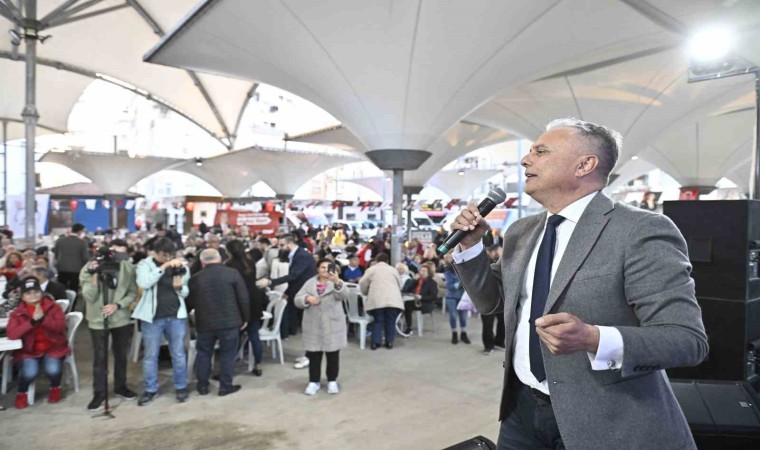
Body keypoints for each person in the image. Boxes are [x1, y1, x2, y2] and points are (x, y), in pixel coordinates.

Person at [450, 118, 708, 449]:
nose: (526, 160)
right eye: (529, 152)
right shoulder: (521, 232)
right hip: (521, 411)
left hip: (606, 418)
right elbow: (492, 302)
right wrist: (470, 247)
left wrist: (594, 338)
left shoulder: (639, 230)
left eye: (541, 151)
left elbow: (686, 340)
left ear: (585, 165)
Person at [78, 240, 139, 410]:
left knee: (121, 355)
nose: (117, 257)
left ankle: (120, 386)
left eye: (121, 253)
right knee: (100, 357)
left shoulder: (127, 267)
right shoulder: (88, 268)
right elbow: (89, 297)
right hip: (98, 319)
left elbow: (133, 292)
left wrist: (118, 305)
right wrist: (94, 275)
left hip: (120, 317)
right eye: (114, 252)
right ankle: (99, 393)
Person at [132, 238, 191, 405]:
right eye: (164, 255)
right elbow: (144, 283)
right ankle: (150, 389)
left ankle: (181, 386)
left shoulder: (181, 266)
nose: (168, 258)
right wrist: (163, 267)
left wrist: (180, 286)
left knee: (178, 353)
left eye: (170, 255)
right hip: (152, 318)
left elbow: (185, 292)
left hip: (175, 316)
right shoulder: (145, 265)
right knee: (150, 355)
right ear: (155, 253)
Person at [187, 249, 249, 396]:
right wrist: (245, 318)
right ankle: (225, 387)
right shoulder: (232, 274)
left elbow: (189, 302)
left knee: (203, 353)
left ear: (202, 262)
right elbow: (243, 298)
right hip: (229, 321)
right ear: (220, 259)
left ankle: (202, 386)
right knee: (228, 354)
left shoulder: (195, 278)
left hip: (204, 322)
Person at [6, 277, 71, 409]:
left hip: (53, 348)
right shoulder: (17, 313)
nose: (33, 295)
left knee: (53, 370)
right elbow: (12, 334)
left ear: (41, 293)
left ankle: (55, 388)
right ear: (22, 296)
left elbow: (60, 327)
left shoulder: (53, 307)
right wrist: (31, 322)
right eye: (28, 293)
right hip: (29, 351)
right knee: (29, 372)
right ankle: (22, 393)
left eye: (36, 292)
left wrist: (43, 319)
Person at [294, 259, 348, 395]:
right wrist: (307, 299)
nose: (325, 270)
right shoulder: (309, 283)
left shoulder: (337, 282)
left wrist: (337, 281)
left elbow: (344, 295)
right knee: (314, 355)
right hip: (313, 324)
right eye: (322, 267)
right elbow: (297, 299)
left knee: (333, 355)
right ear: (317, 269)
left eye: (328, 267)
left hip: (332, 324)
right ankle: (314, 381)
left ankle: (332, 381)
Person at [257, 234, 317, 340]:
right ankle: (287, 332)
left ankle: (285, 333)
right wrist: (287, 292)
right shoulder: (296, 254)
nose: (280, 248)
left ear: (289, 244)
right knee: (288, 310)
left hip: (305, 289)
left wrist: (270, 282)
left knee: (288, 311)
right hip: (297, 288)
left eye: (282, 245)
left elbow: (293, 275)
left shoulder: (302, 255)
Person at [225, 240, 267, 376]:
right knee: (254, 335)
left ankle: (229, 367)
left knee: (234, 337)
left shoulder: (229, 265)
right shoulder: (250, 262)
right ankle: (258, 364)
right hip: (254, 300)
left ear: (229, 251)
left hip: (238, 302)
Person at [359, 253, 403, 350]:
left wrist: (366, 292)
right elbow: (400, 285)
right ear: (387, 261)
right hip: (393, 299)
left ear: (376, 260)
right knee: (390, 321)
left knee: (378, 320)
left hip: (377, 299)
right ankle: (389, 343)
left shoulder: (371, 269)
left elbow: (362, 282)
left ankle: (376, 343)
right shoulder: (393, 270)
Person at [53, 223, 90, 293]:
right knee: (74, 289)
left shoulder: (60, 240)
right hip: (76, 270)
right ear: (80, 231)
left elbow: (56, 254)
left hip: (62, 268)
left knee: (61, 288)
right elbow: (85, 258)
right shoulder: (82, 242)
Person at [402, 265, 437, 337]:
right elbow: (406, 290)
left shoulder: (432, 283)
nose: (422, 272)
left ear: (428, 273)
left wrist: (421, 297)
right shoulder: (417, 280)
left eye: (424, 271)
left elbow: (433, 296)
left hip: (426, 303)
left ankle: (409, 328)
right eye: (421, 271)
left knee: (407, 306)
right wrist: (413, 280)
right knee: (405, 305)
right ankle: (408, 326)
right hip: (414, 300)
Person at [442, 256, 469, 345]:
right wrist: (460, 284)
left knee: (463, 316)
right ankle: (454, 333)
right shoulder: (448, 272)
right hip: (451, 296)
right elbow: (449, 286)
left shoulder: (465, 272)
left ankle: (463, 333)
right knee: (453, 316)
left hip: (462, 296)